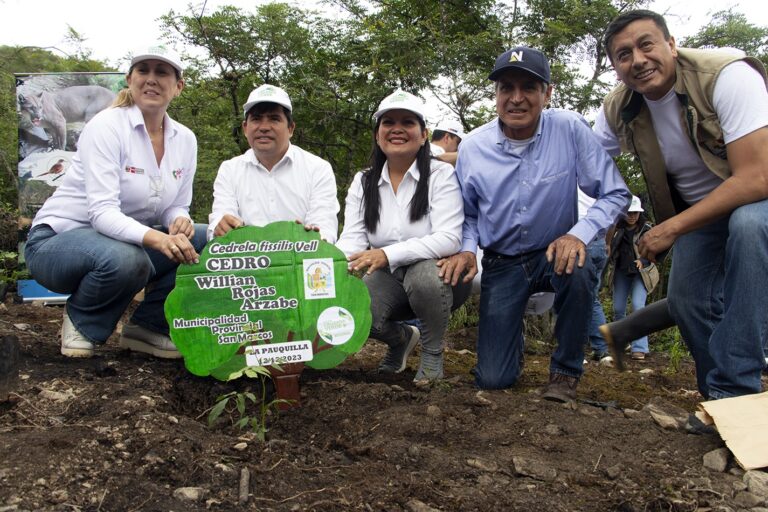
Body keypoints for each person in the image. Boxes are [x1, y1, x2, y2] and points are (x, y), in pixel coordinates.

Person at [437, 47, 630, 400]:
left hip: (554, 249)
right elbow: (468, 214)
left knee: (582, 262)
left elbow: (615, 193)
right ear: (495, 95)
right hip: (502, 261)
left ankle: (565, 373)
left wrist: (579, 234)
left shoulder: (569, 128)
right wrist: (467, 250)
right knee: (494, 380)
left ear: (547, 93)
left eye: (528, 87)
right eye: (505, 88)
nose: (516, 98)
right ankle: (510, 344)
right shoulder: (474, 148)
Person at [595, 9, 768, 399]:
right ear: (616, 68)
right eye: (623, 55)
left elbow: (757, 178)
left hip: (758, 197)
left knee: (748, 226)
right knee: (689, 301)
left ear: (672, 45)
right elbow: (576, 163)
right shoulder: (619, 108)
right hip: (702, 212)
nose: (637, 60)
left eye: (646, 45)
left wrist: (670, 227)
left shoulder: (727, 75)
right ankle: (719, 400)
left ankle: (737, 390)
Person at [24, 44, 205, 359]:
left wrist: (180, 221)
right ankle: (83, 322)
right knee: (127, 258)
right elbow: (102, 214)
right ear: (129, 80)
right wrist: (160, 238)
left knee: (204, 239)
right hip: (57, 243)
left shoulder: (185, 139)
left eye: (161, 72)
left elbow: (176, 205)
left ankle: (150, 326)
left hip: (121, 242)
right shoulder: (107, 125)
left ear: (178, 86)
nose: (151, 79)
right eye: (143, 71)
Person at [336, 90, 471, 381]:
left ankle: (433, 352)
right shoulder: (364, 181)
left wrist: (386, 254)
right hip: (389, 277)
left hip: (441, 278)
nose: (397, 129)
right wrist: (331, 266)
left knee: (423, 275)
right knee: (351, 309)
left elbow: (449, 238)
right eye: (388, 123)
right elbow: (352, 239)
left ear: (423, 135)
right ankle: (400, 340)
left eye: (407, 122)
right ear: (377, 134)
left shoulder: (440, 175)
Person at [208, 84, 339, 242]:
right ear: (245, 128)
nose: (264, 127)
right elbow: (220, 217)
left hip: (300, 260)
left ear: (290, 128)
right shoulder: (230, 170)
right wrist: (220, 226)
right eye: (256, 119)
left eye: (274, 119)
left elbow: (325, 226)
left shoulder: (318, 169)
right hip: (247, 261)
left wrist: (313, 235)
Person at [606, 195, 653, 361]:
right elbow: (609, 249)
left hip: (642, 273)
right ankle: (622, 341)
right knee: (618, 308)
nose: (632, 216)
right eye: (629, 212)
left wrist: (643, 260)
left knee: (637, 305)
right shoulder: (616, 230)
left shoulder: (647, 229)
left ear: (640, 214)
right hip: (621, 271)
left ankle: (640, 347)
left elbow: (656, 250)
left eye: (635, 213)